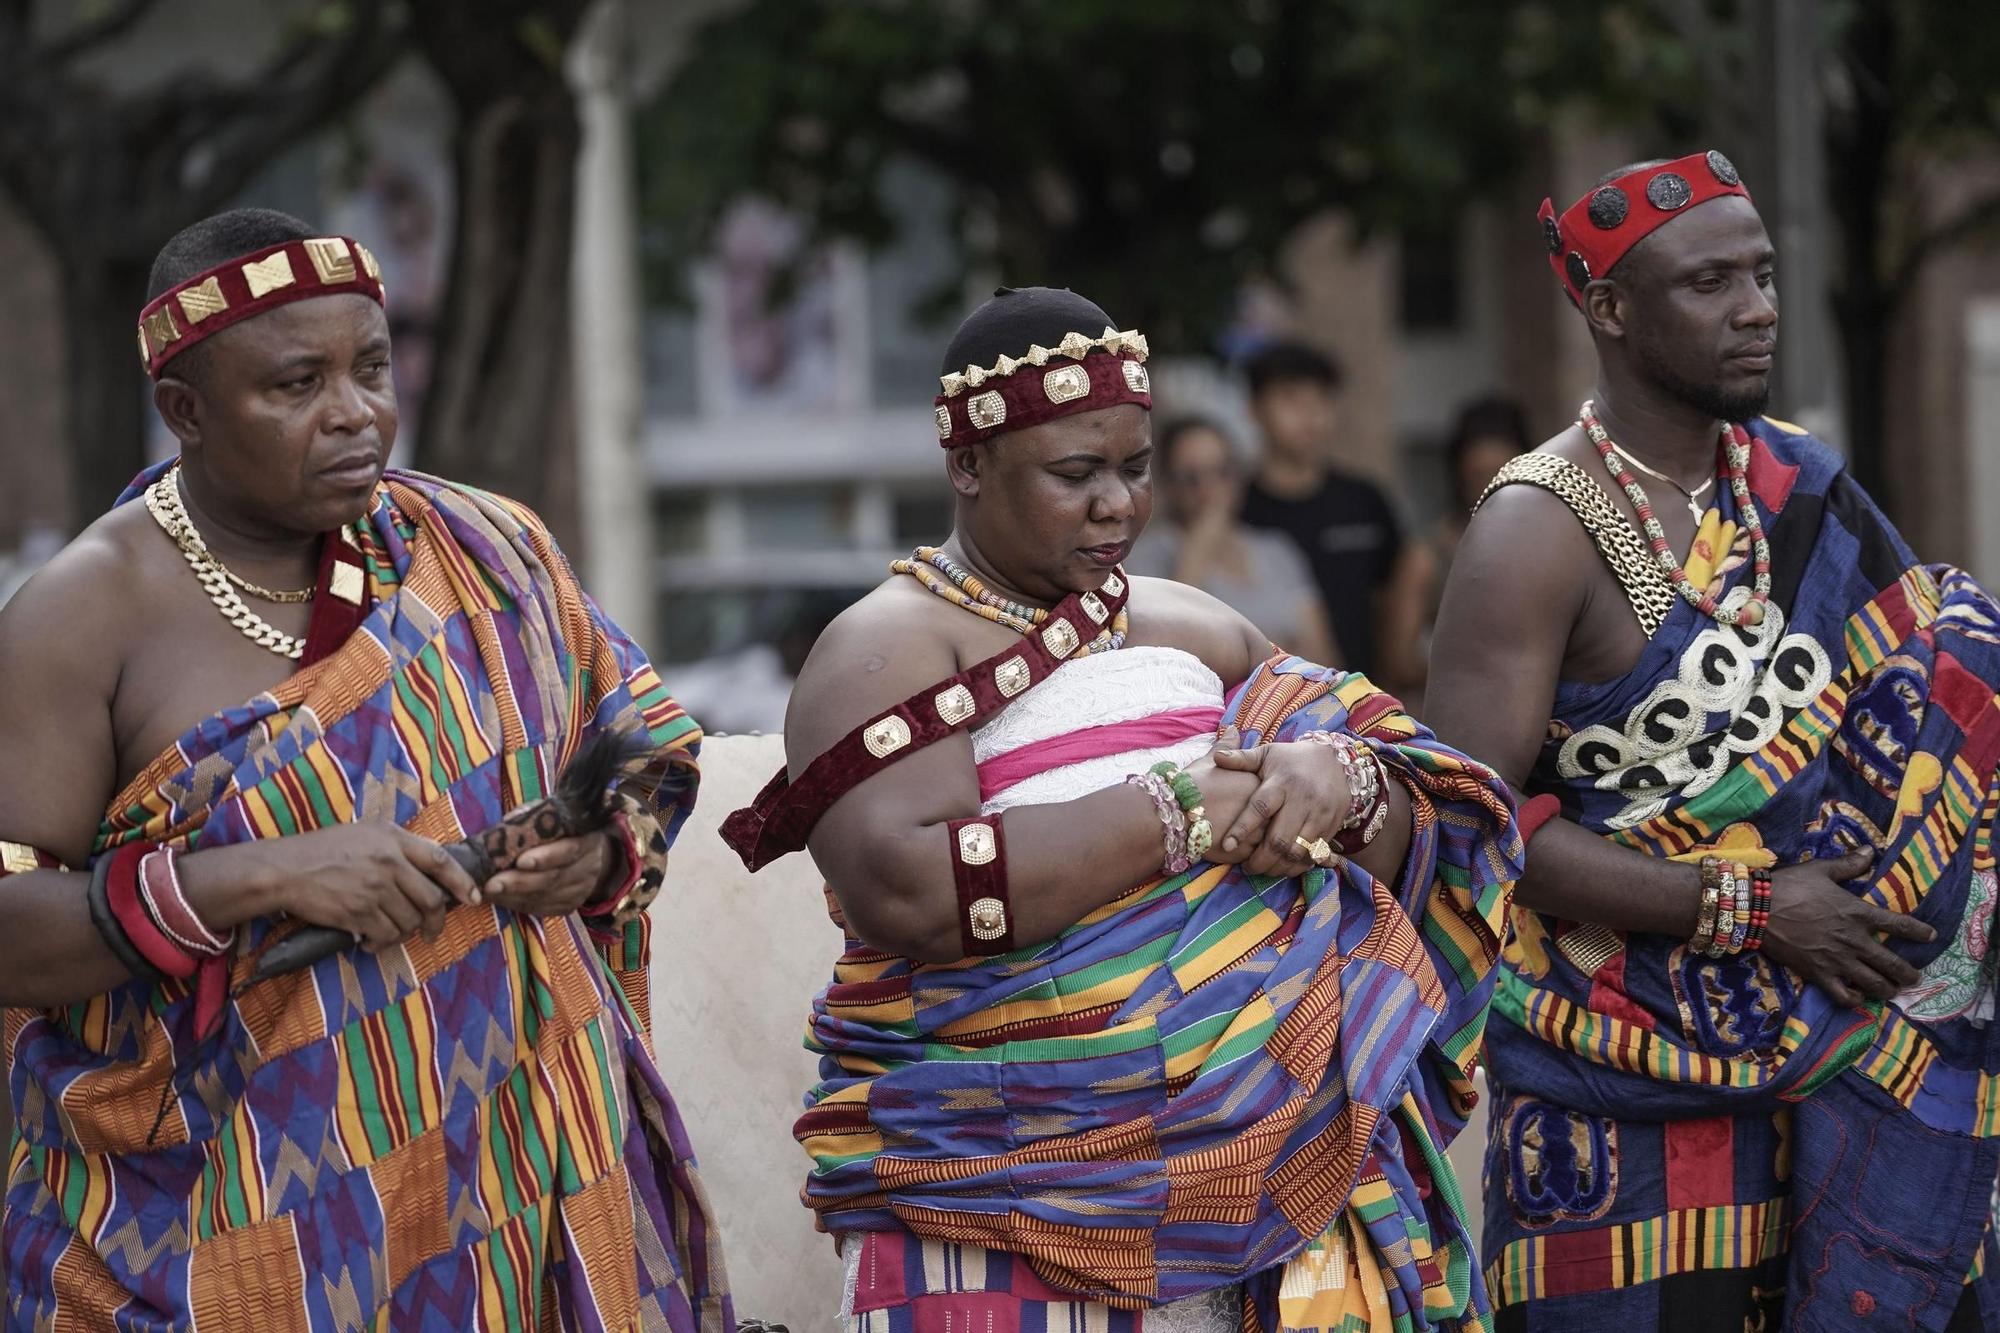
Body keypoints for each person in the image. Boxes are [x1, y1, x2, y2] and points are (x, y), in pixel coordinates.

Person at [720, 286, 1523, 1331]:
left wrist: (1340, 779)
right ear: (967, 466)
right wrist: (1178, 808)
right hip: (1001, 1205)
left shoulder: (1187, 621)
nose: (1116, 505)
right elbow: (909, 892)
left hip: (1280, 1183)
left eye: (1133, 468)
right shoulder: (885, 646)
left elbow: (1421, 816)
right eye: (1074, 474)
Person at [0, 210, 731, 1330]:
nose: (356, 413)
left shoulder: (487, 547)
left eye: (373, 367)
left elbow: (642, 749)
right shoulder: (82, 616)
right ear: (184, 413)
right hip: (226, 1234)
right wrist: (260, 876)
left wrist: (595, 856)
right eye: (295, 385)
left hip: (522, 1193)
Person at [1426, 151, 2000, 1330]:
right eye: (1710, 285)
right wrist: (1748, 908)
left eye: (1762, 274)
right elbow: (1468, 825)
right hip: (1620, 1087)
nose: (1757, 308)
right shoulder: (1535, 532)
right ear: (1609, 310)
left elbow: (1917, 687)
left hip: (1846, 1040)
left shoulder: (1792, 482)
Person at [1239, 342, 1428, 697]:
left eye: (1321, 400)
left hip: (1368, 701)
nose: (1311, 416)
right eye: (1292, 399)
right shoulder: (1239, 510)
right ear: (1253, 409)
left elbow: (1396, 595)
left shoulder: (1364, 500)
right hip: (1271, 704)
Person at [1125, 415, 1339, 665]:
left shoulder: (1276, 549)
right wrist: (1200, 545)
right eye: (1191, 478)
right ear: (1169, 486)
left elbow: (1322, 654)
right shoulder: (1146, 554)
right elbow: (1171, 644)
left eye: (1222, 472)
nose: (1209, 488)